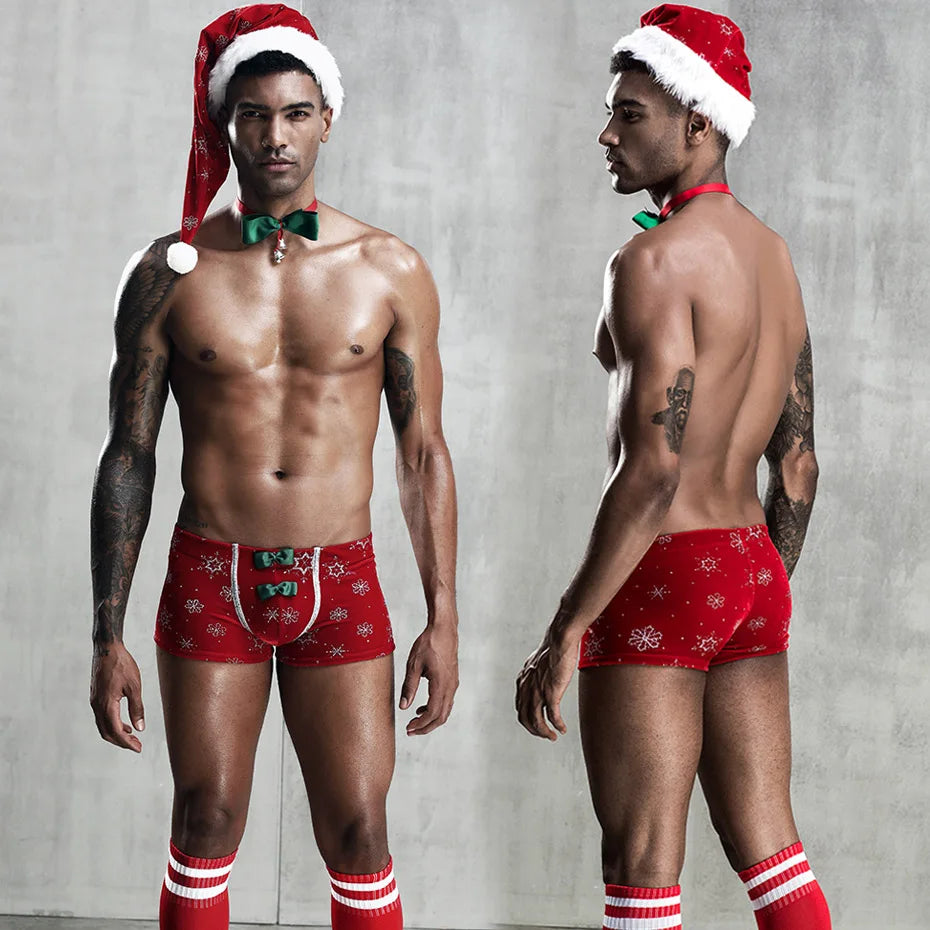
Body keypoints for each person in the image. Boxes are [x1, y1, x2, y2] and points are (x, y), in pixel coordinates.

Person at [89, 7, 459, 929]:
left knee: (360, 831)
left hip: (343, 576)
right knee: (205, 818)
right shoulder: (168, 273)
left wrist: (443, 615)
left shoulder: (389, 268)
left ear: (327, 118)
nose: (275, 136)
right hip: (211, 573)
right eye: (254, 115)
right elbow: (129, 451)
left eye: (296, 113)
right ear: (227, 124)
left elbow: (422, 451)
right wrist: (106, 632)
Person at [515, 6, 829, 929]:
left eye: (631, 114)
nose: (606, 134)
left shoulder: (650, 262)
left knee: (642, 863)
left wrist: (566, 630)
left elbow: (651, 472)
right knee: (773, 852)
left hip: (665, 569)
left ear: (698, 123)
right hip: (751, 568)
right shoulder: (774, 257)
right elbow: (798, 464)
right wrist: (759, 584)